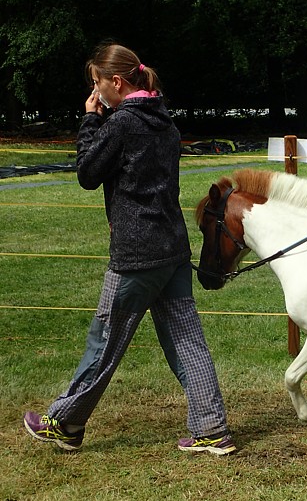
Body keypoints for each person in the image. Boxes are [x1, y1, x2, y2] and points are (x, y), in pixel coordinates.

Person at [23, 43, 235, 455]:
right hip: (173, 248)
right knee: (187, 339)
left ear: (116, 82)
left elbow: (87, 173)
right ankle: (211, 428)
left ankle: (64, 422)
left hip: (136, 254)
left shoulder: (121, 124)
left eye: (97, 83)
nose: (96, 91)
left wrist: (90, 119)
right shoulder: (165, 122)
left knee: (105, 339)